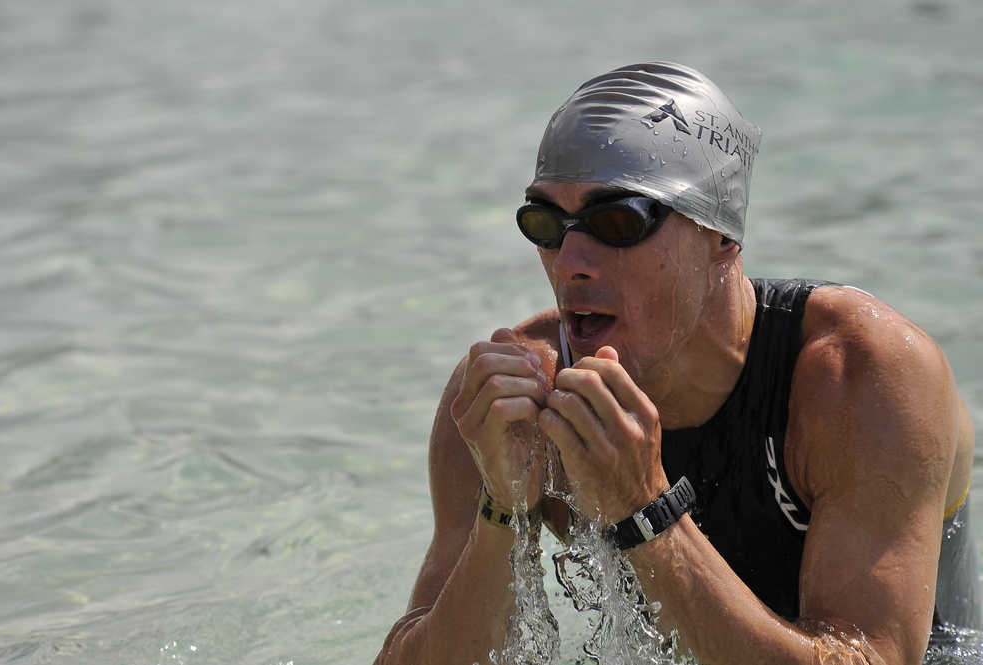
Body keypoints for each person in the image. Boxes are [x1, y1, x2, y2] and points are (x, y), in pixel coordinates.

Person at [374, 62, 980, 664]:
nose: (569, 262)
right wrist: (502, 510)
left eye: (617, 221)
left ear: (722, 236)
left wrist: (645, 512)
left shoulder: (861, 378)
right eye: (546, 224)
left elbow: (870, 656)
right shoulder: (507, 402)